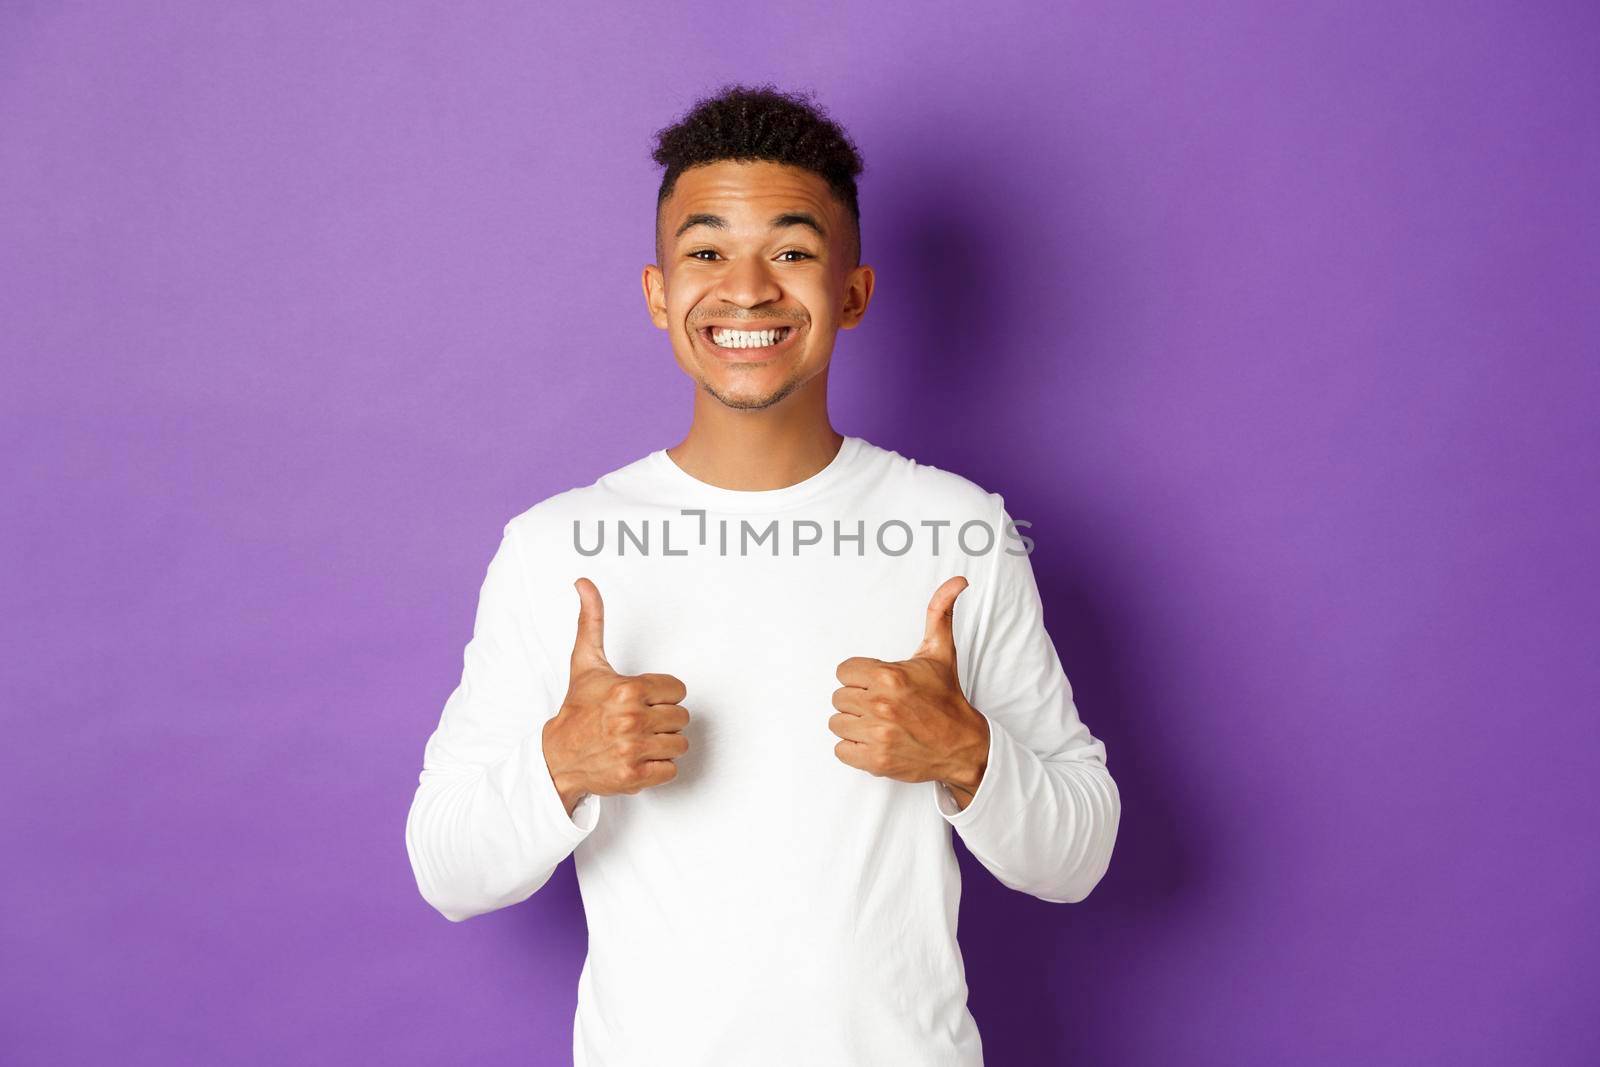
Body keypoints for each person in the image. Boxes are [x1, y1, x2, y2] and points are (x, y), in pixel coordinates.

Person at [404, 82, 1121, 1067]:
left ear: (853, 291)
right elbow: (445, 865)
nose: (746, 289)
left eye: (790, 250)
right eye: (705, 252)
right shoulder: (556, 546)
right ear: (659, 293)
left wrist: (967, 752)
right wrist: (561, 762)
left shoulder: (959, 529)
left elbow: (1080, 855)